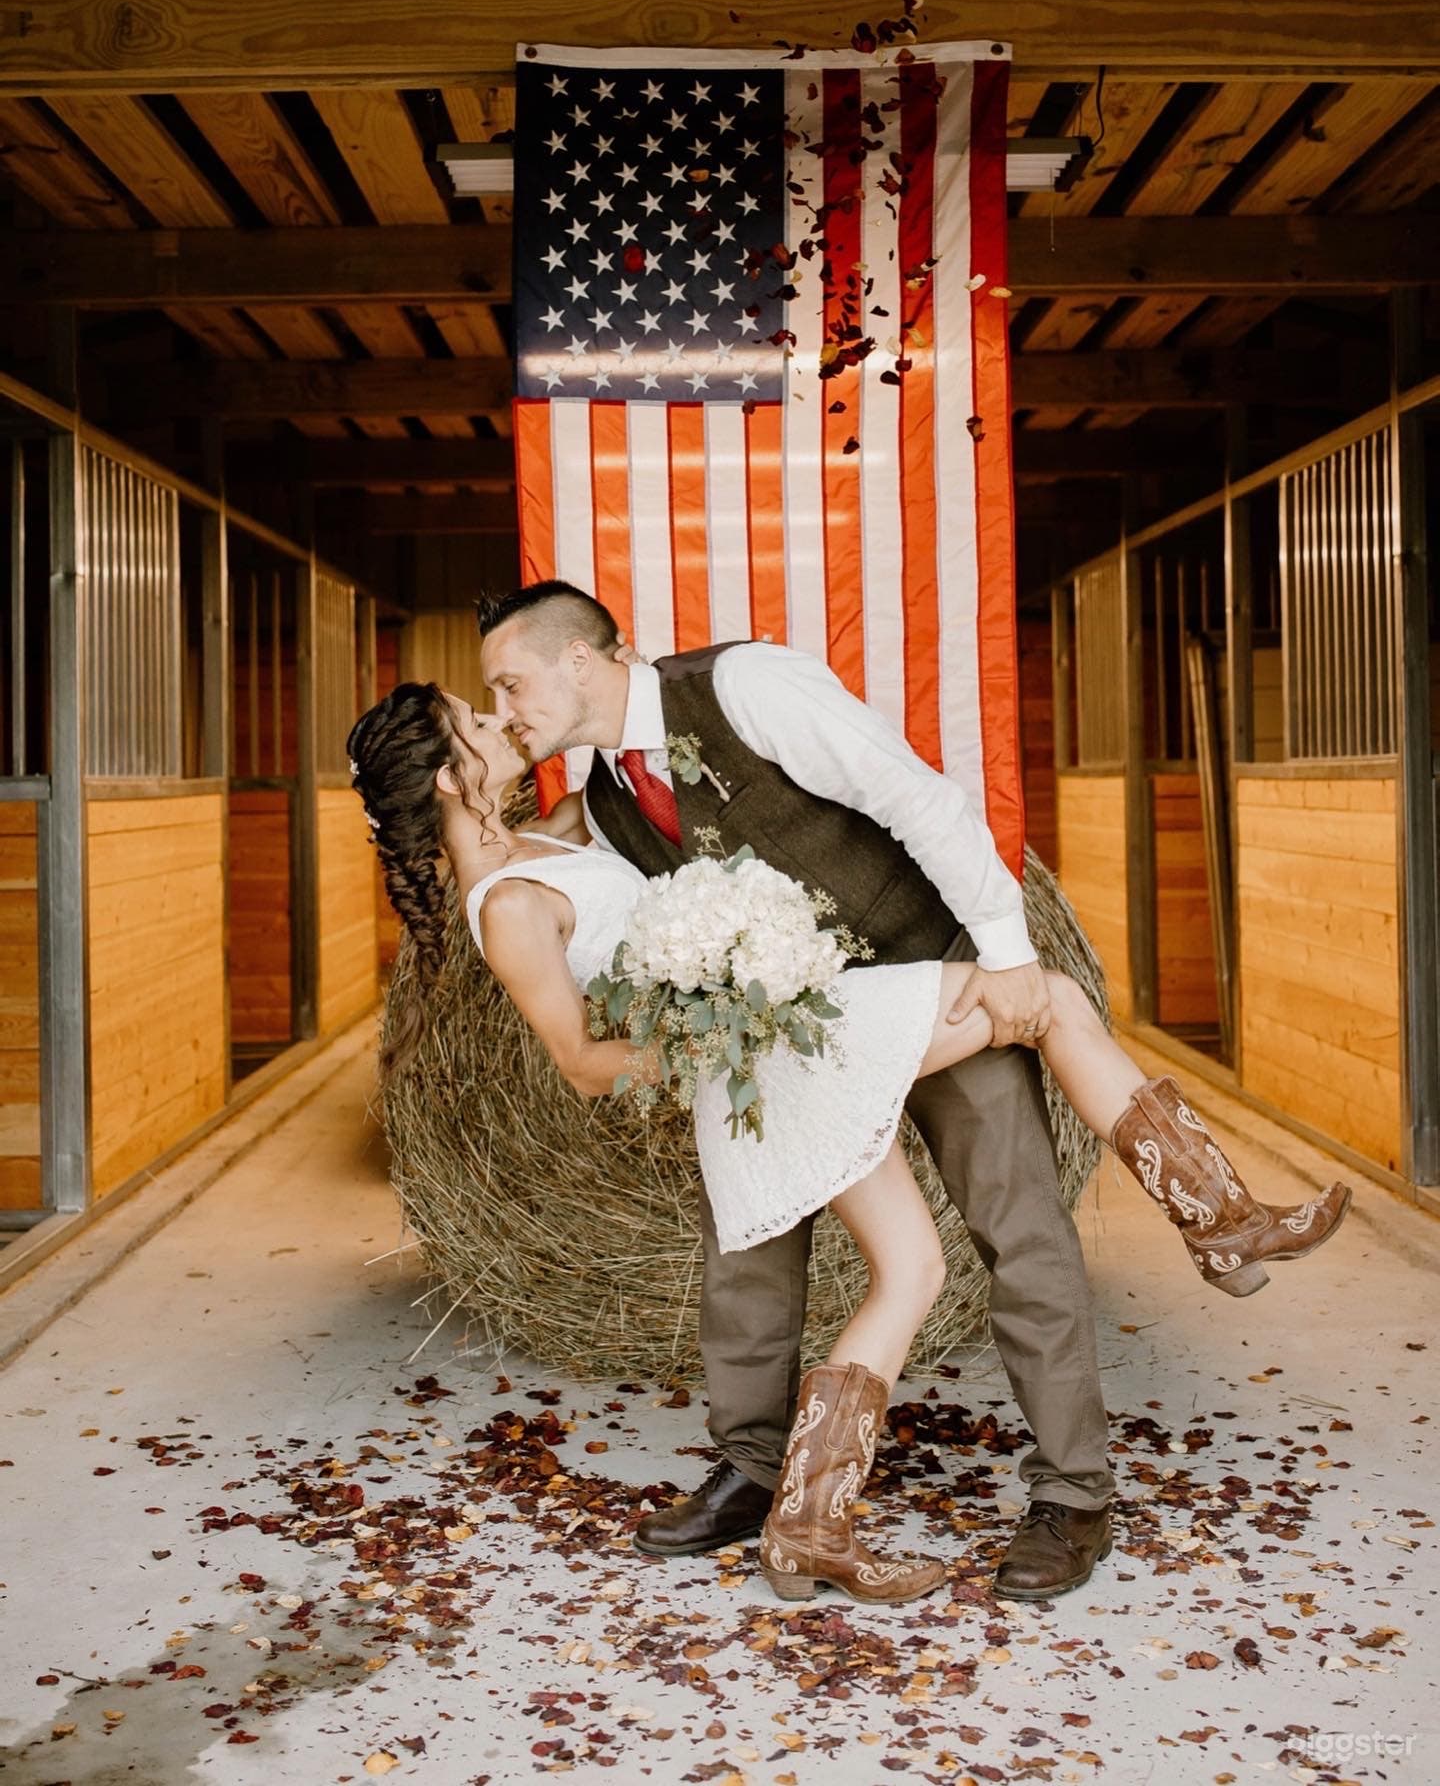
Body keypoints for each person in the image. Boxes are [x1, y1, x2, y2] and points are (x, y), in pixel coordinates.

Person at [349, 660, 1351, 1608]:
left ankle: (809, 1525)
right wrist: (725, 1039)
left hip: (797, 1041)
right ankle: (1221, 1218)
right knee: (1042, 998)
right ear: (446, 774)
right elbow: (577, 1061)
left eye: (500, 693)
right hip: (785, 1046)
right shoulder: (513, 905)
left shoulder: (568, 825)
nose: (499, 716)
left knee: (912, 1271)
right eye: (476, 719)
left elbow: (677, 831)